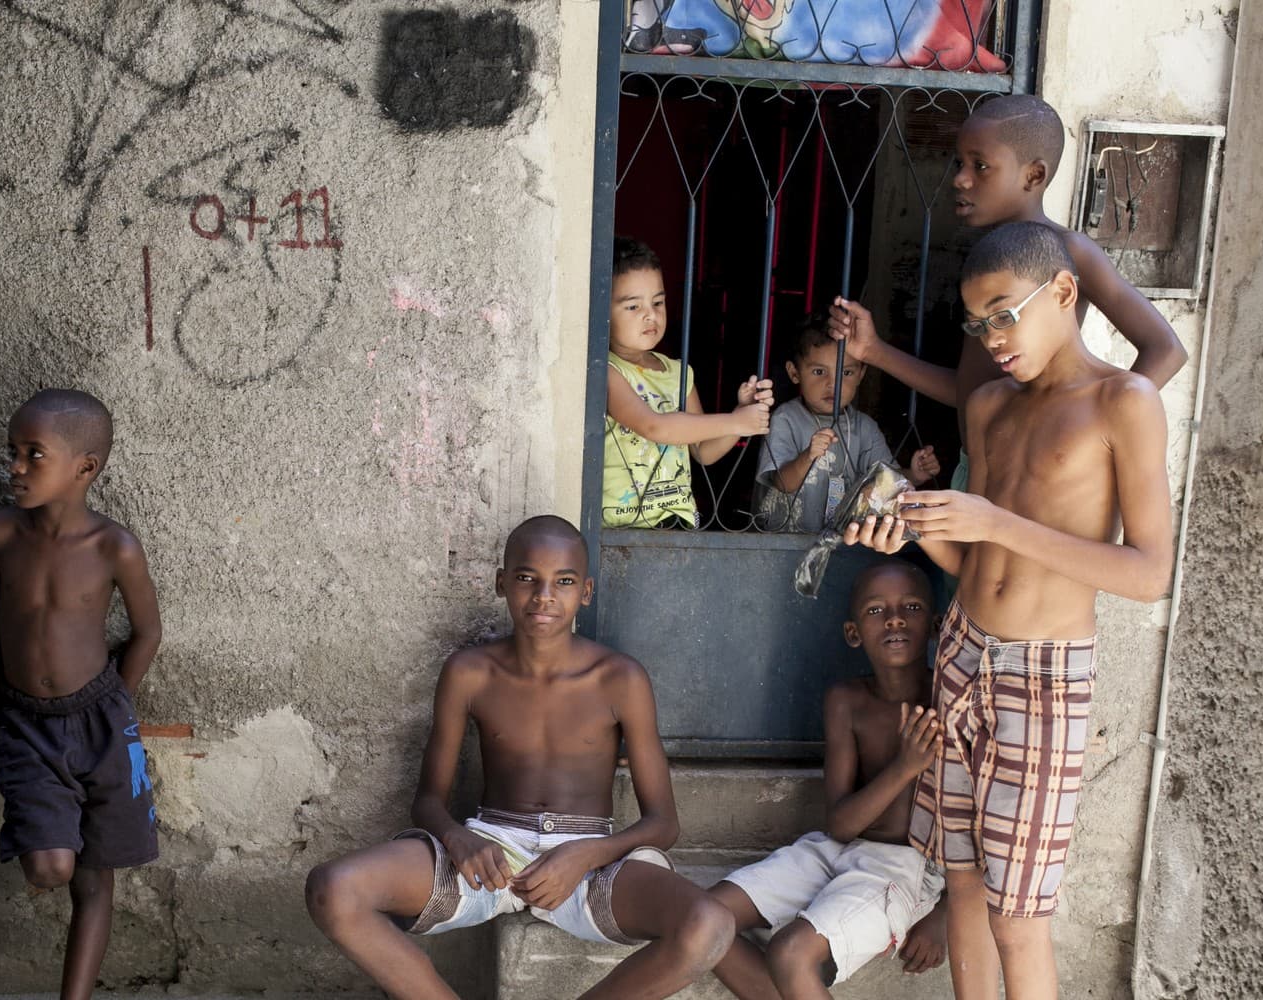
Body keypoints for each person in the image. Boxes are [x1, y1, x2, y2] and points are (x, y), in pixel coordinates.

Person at [846, 222, 1175, 1000]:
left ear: (1063, 293)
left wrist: (996, 523)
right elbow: (977, 562)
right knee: (960, 879)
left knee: (1019, 915)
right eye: (976, 322)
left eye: (1004, 313)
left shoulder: (1122, 403)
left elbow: (1150, 573)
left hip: (1046, 675)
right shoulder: (991, 406)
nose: (991, 338)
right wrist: (919, 529)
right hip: (963, 651)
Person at [304, 516, 736, 999]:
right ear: (501, 582)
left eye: (564, 581)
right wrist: (459, 838)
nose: (544, 596)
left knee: (710, 925)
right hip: (492, 849)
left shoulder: (621, 679)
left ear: (586, 591)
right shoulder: (470, 673)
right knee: (334, 889)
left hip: (589, 858)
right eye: (527, 577)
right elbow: (427, 801)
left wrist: (586, 854)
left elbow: (663, 824)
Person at [827, 93, 1188, 480]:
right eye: (960, 163)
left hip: (1030, 474)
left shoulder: (1069, 250)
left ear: (1034, 176)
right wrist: (875, 351)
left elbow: (1166, 349)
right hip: (976, 469)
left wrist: (1092, 429)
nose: (960, 179)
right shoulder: (988, 263)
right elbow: (969, 389)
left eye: (980, 166)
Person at [0, 389, 164, 1000]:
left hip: (102, 718)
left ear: (85, 468)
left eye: (34, 455)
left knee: (94, 875)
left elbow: (147, 630)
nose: (15, 468)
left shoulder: (114, 547)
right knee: (50, 865)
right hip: (26, 722)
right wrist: (3, 693)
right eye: (13, 452)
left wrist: (116, 701)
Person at [707, 561, 951, 998]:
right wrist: (905, 767)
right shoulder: (846, 700)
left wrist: (945, 916)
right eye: (876, 611)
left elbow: (986, 824)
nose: (894, 618)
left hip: (906, 869)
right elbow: (840, 825)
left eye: (910, 607)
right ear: (853, 633)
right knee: (704, 918)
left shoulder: (948, 703)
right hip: (837, 848)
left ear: (936, 625)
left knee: (790, 954)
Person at [603, 237, 774, 528]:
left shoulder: (679, 373)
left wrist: (738, 414)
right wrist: (736, 423)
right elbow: (653, 426)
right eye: (633, 307)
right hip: (625, 526)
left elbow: (703, 452)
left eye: (658, 302)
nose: (650, 314)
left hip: (677, 522)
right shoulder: (607, 371)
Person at [754, 314, 941, 532]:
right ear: (794, 373)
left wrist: (914, 475)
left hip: (844, 542)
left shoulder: (864, 428)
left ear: (861, 375)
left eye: (846, 372)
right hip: (784, 540)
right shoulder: (785, 419)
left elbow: (887, 482)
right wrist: (808, 456)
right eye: (818, 372)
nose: (833, 384)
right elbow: (781, 482)